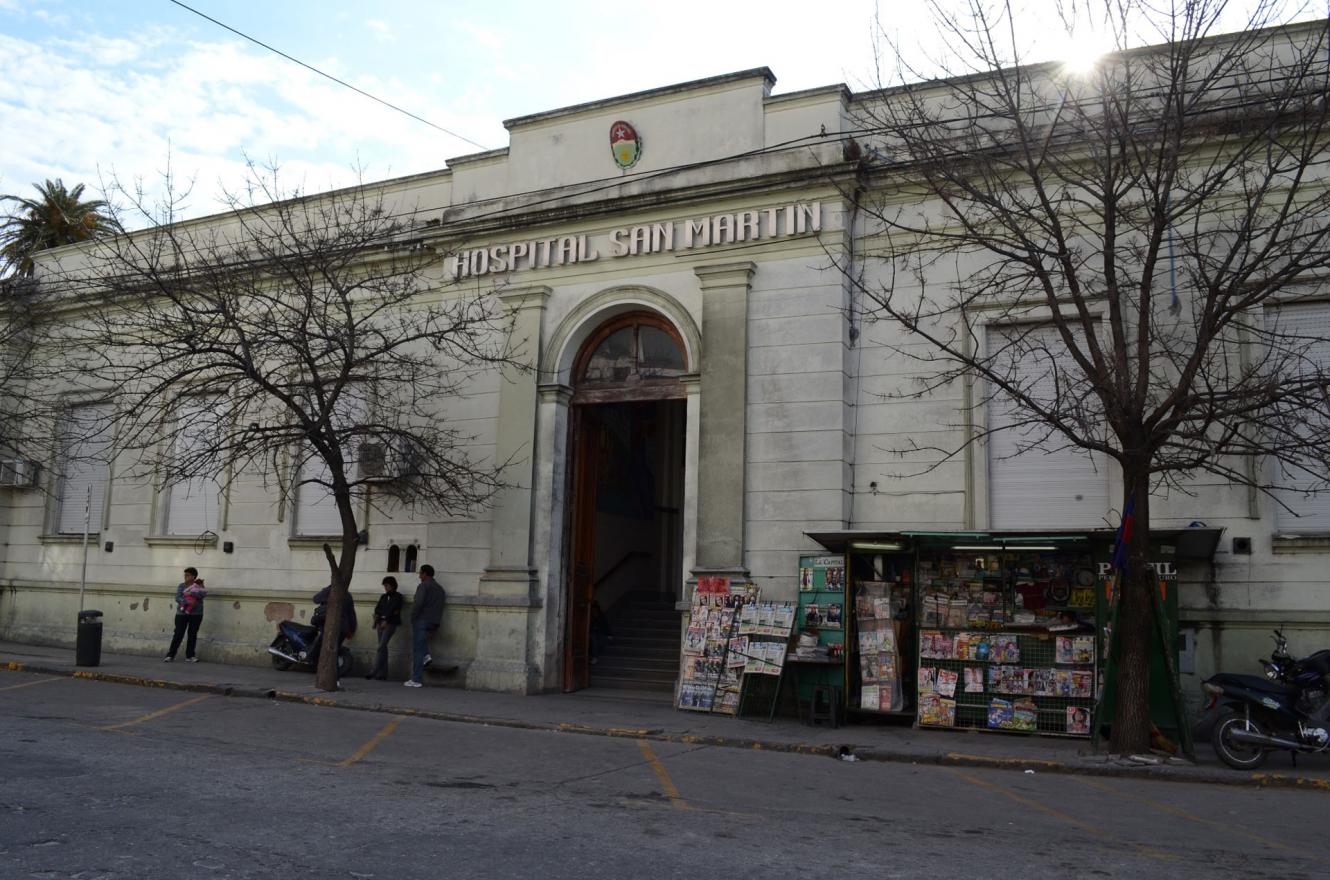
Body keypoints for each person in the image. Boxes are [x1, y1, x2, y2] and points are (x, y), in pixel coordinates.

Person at [405, 564, 445, 688]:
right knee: (421, 646)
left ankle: (416, 679)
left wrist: (413, 617)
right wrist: (436, 624)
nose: (419, 576)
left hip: (421, 620)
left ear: (425, 574)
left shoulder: (423, 586)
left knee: (417, 650)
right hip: (433, 621)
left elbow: (418, 603)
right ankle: (426, 655)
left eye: (420, 573)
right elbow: (440, 607)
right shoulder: (440, 588)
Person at [164, 567, 206, 662]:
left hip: (196, 613)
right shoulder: (181, 585)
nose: (185, 577)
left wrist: (192, 591)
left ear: (193, 576)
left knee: (192, 634)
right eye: (185, 575)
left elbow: (202, 595)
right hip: (182, 614)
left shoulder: (199, 586)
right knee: (178, 633)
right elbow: (177, 597)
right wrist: (186, 602)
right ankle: (171, 655)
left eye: (187, 575)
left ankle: (190, 656)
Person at [365, 576, 403, 680]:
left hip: (390, 624)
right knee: (383, 648)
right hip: (380, 623)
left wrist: (386, 619)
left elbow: (393, 609)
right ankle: (383, 673)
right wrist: (379, 620)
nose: (385, 588)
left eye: (387, 585)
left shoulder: (398, 596)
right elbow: (378, 609)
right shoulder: (383, 597)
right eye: (384, 586)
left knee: (381, 646)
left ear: (393, 585)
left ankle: (374, 670)